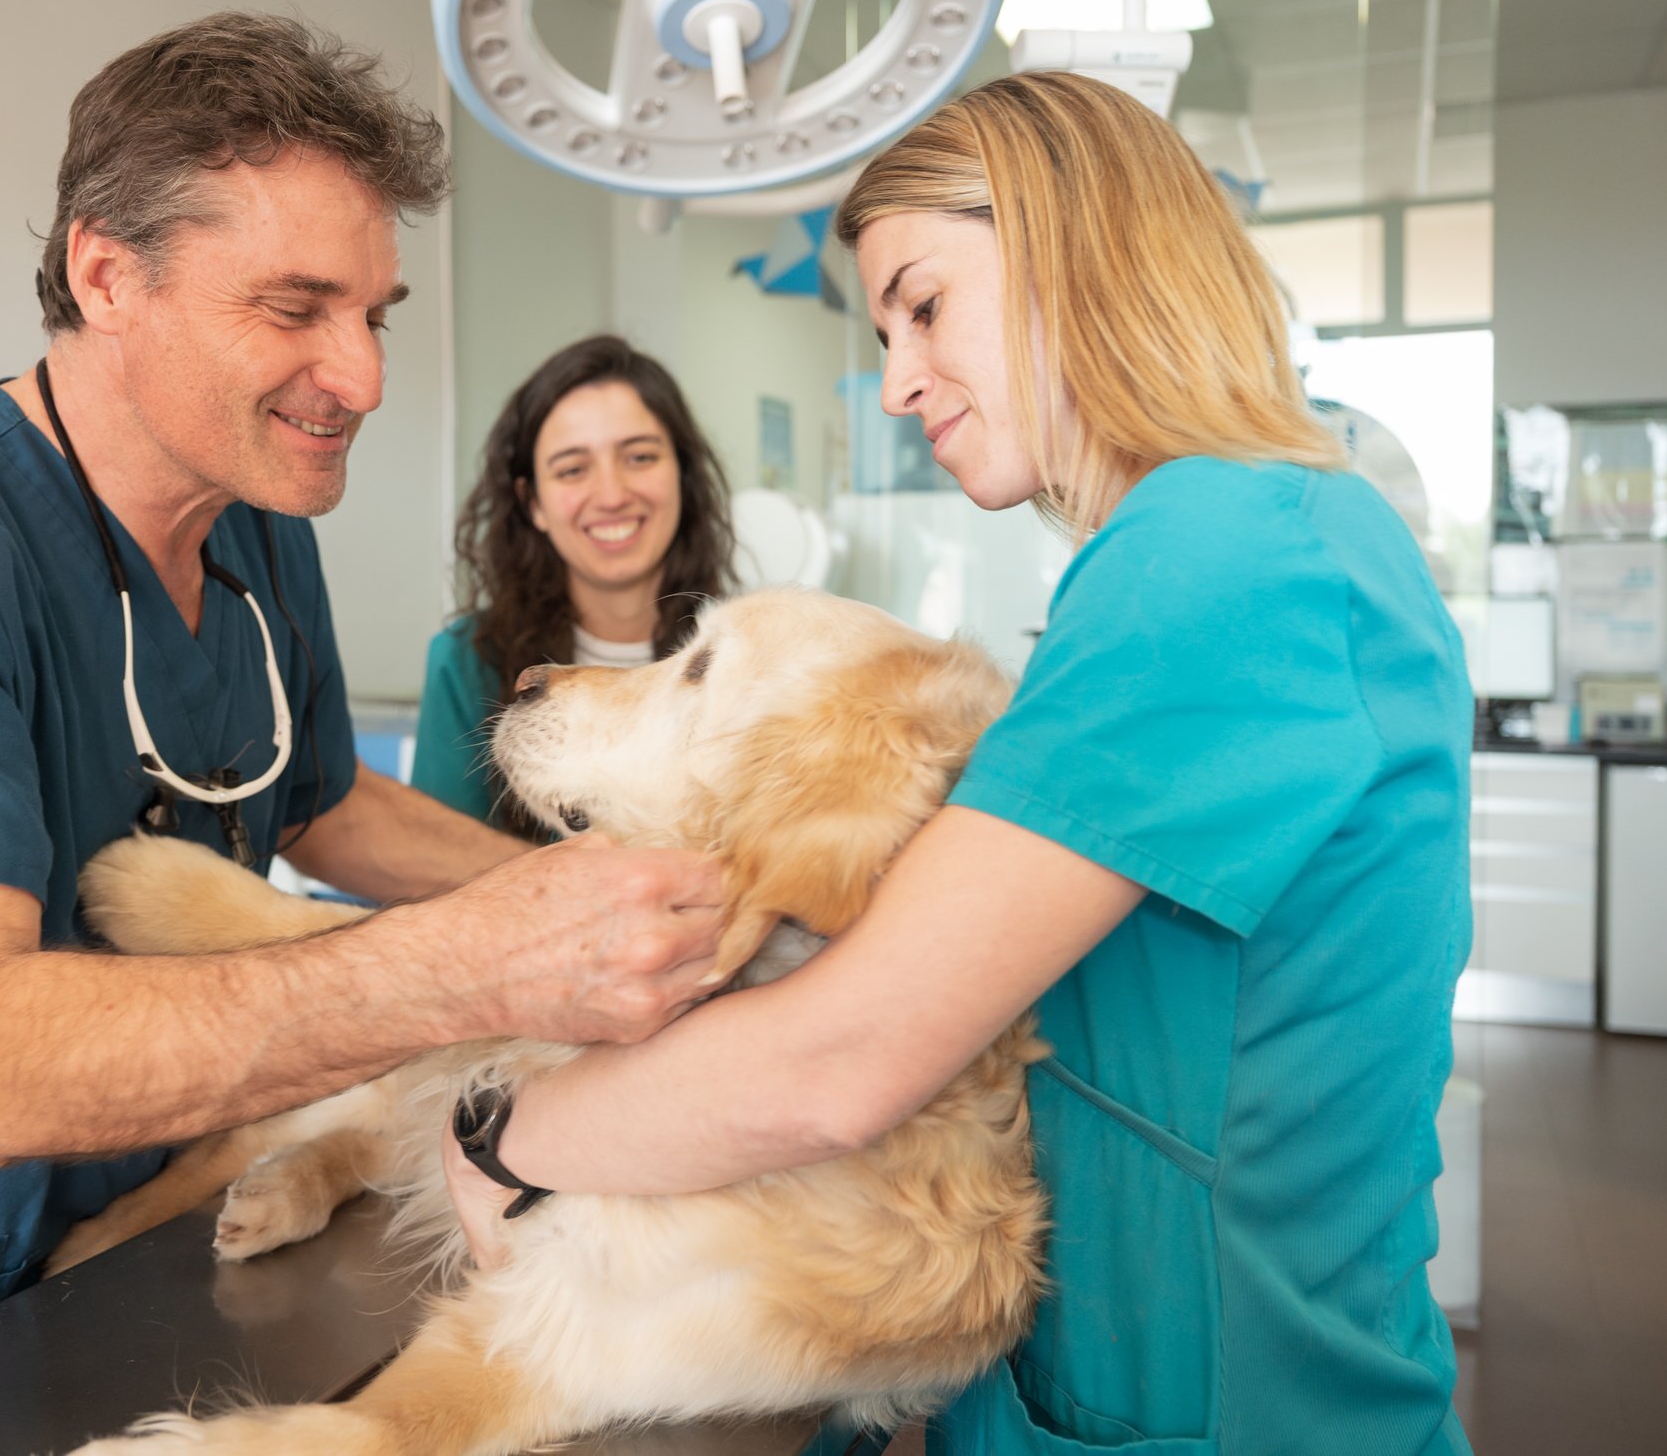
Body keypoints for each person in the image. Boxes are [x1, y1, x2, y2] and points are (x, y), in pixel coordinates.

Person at [0, 13, 727, 1446]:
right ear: (108, 273)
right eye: (295, 310)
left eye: (376, 314)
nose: (363, 378)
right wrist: (487, 963)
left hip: (139, 1252)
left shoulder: (254, 527)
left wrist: (648, 914)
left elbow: (326, 801)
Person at [444, 72, 1475, 1456]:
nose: (902, 379)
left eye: (925, 305)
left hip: (1231, 1402)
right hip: (1113, 1378)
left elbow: (847, 1057)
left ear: (1080, 244)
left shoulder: (1226, 557)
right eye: (884, 331)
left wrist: (504, 1133)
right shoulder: (1208, 556)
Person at [413, 334, 734, 831]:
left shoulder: (742, 661)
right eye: (572, 469)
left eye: (640, 457)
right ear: (533, 502)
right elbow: (438, 862)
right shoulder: (467, 663)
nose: (610, 494)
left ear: (682, 477)